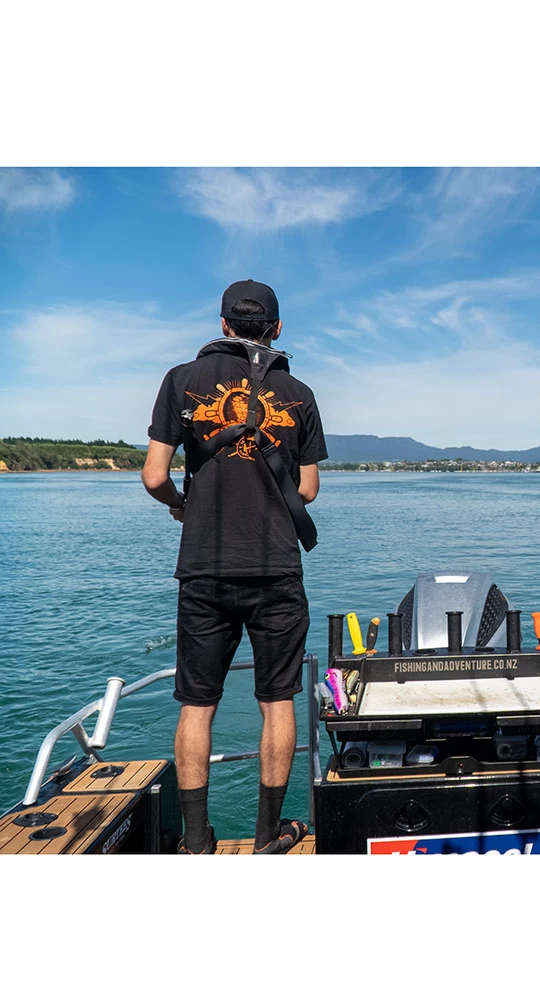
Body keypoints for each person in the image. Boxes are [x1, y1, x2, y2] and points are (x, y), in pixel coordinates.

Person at [142, 279, 328, 854]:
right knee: (277, 702)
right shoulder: (298, 392)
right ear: (277, 328)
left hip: (204, 568)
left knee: (197, 706)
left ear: (223, 324)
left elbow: (154, 476)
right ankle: (269, 837)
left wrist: (182, 503)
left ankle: (196, 843)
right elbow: (308, 491)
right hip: (276, 570)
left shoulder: (181, 379)